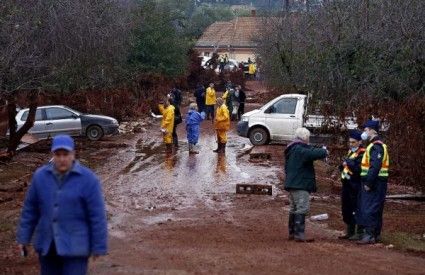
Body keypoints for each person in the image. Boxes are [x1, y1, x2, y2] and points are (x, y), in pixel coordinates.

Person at [16, 135, 108, 274]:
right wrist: (23, 238)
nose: (62, 159)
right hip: (47, 246)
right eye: (58, 154)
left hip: (76, 247)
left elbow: (97, 215)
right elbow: (30, 210)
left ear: (73, 154)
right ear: (53, 155)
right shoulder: (41, 177)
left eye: (66, 154)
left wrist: (98, 245)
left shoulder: (88, 179)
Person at [284, 128, 328, 242]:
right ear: (305, 138)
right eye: (308, 137)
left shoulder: (293, 148)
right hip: (300, 183)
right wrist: (324, 151)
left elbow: (309, 151)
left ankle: (292, 233)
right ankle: (299, 234)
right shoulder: (300, 149)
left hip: (293, 182)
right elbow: (311, 153)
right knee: (302, 207)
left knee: (294, 208)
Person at [357, 120, 389, 245]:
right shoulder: (376, 145)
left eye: (365, 130)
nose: (364, 133)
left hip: (375, 182)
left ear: (371, 131)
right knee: (375, 207)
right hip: (377, 181)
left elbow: (375, 166)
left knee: (370, 207)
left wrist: (369, 183)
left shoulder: (376, 146)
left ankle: (370, 234)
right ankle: (375, 234)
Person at [338, 130, 366, 240]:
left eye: (353, 142)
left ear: (360, 142)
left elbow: (358, 169)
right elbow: (347, 166)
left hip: (355, 185)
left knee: (356, 207)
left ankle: (359, 231)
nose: (351, 144)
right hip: (347, 184)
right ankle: (349, 230)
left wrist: (348, 163)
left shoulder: (362, 153)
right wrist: (342, 166)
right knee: (346, 207)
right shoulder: (351, 152)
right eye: (350, 142)